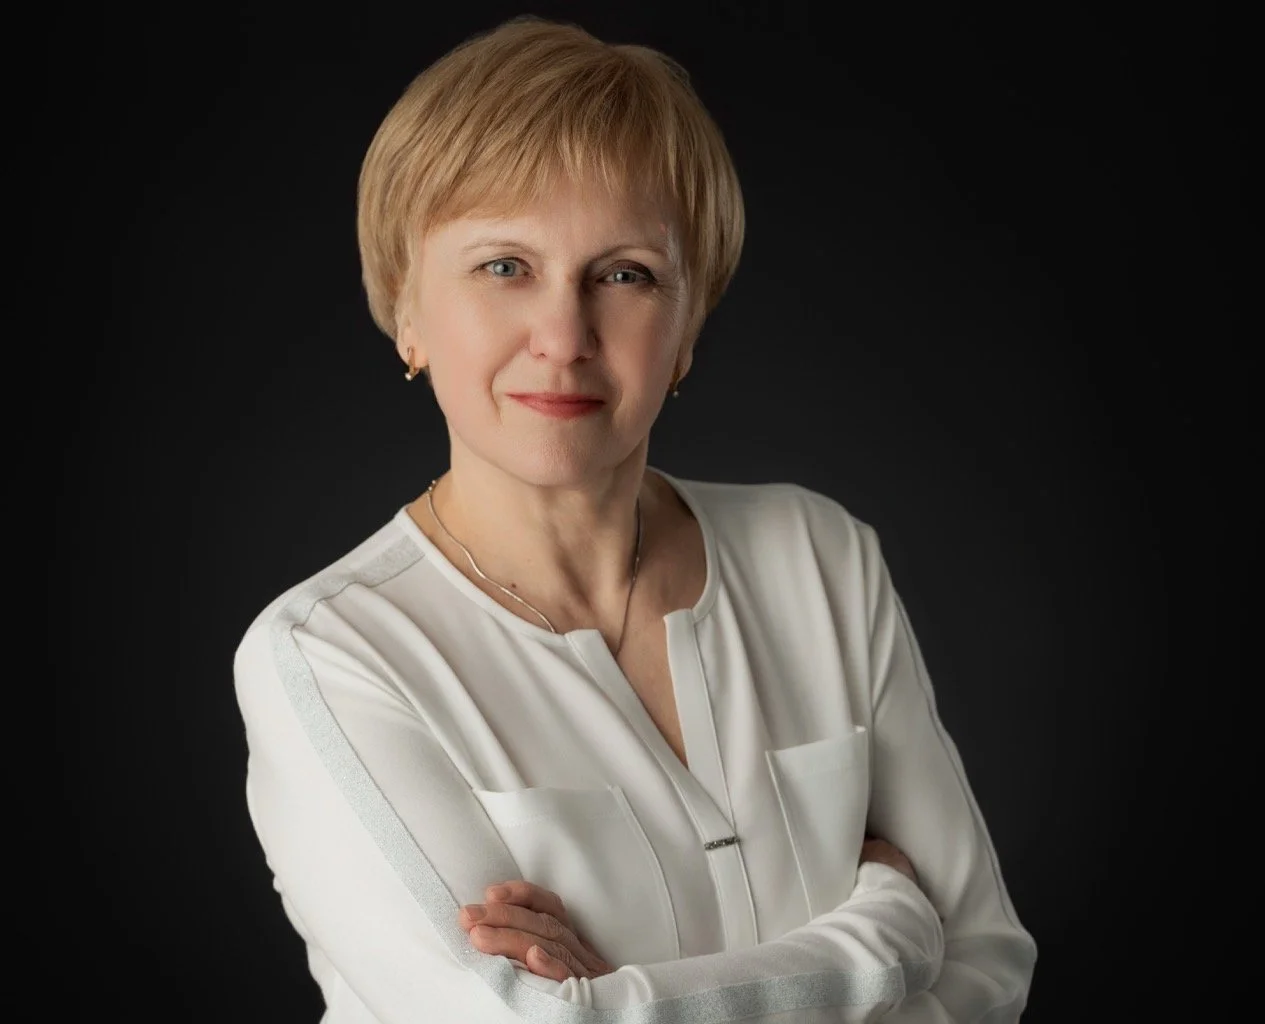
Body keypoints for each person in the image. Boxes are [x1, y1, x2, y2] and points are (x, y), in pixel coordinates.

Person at [232, 14, 1037, 1022]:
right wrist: (887, 931)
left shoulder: (819, 555)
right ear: (405, 309)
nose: (563, 337)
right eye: (503, 267)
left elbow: (988, 969)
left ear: (686, 325)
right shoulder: (327, 653)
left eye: (623, 274)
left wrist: (617, 999)